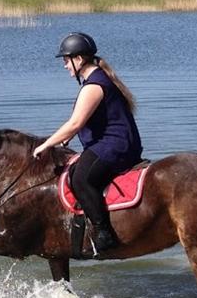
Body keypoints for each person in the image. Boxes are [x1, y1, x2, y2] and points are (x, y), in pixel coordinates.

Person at [32, 32, 142, 256]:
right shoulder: (99, 79)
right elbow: (85, 121)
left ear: (79, 59)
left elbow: (75, 122)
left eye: (66, 60)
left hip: (115, 146)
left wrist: (45, 145)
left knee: (80, 178)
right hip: (114, 142)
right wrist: (68, 136)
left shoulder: (93, 85)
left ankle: (104, 233)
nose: (65, 66)